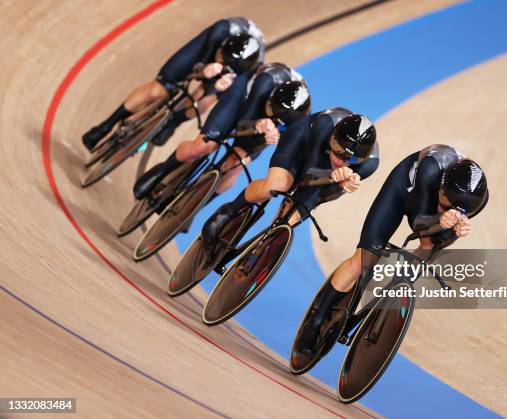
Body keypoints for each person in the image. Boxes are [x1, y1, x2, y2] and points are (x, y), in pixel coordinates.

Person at [297, 144, 489, 353]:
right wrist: (442, 220)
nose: (446, 209)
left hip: (435, 217)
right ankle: (315, 320)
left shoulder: (478, 200)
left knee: (428, 249)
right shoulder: (431, 170)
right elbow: (418, 225)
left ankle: (394, 291)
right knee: (365, 259)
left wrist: (453, 230)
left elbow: (436, 240)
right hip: (402, 191)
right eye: (444, 203)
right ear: (441, 188)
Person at [132, 62, 311, 202]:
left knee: (236, 165)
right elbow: (241, 125)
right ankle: (161, 172)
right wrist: (258, 122)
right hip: (243, 98)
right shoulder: (265, 84)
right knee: (203, 146)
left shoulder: (298, 119)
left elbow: (287, 152)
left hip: (265, 123)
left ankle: (197, 204)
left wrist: (273, 135)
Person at [82, 17, 265, 151]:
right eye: (222, 59)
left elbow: (218, 96)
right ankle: (106, 125)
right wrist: (204, 69)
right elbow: (197, 65)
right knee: (158, 89)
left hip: (235, 73)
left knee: (205, 100)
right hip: (207, 53)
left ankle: (173, 123)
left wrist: (213, 88)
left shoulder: (248, 70)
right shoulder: (221, 32)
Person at [201, 109, 380, 243]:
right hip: (303, 144)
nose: (342, 162)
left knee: (288, 221)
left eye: (351, 160)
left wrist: (342, 184)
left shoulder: (369, 165)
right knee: (276, 186)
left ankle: (260, 250)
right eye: (339, 153)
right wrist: (333, 175)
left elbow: (322, 193)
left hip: (326, 176)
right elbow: (306, 176)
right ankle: (230, 210)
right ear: (333, 139)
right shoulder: (325, 125)